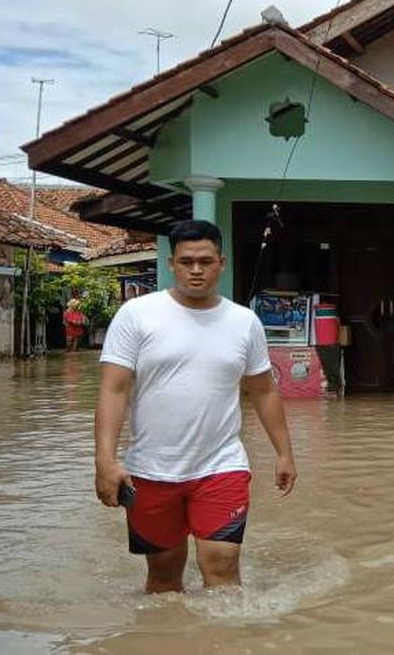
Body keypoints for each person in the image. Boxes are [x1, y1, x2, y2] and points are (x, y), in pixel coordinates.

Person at [93, 220, 297, 593]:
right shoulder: (137, 315)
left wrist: (284, 453)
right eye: (187, 262)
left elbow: (263, 390)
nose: (196, 270)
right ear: (172, 264)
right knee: (164, 575)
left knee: (221, 565)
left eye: (205, 261)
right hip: (150, 469)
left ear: (221, 262)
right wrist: (105, 461)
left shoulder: (244, 322)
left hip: (222, 466)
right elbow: (114, 390)